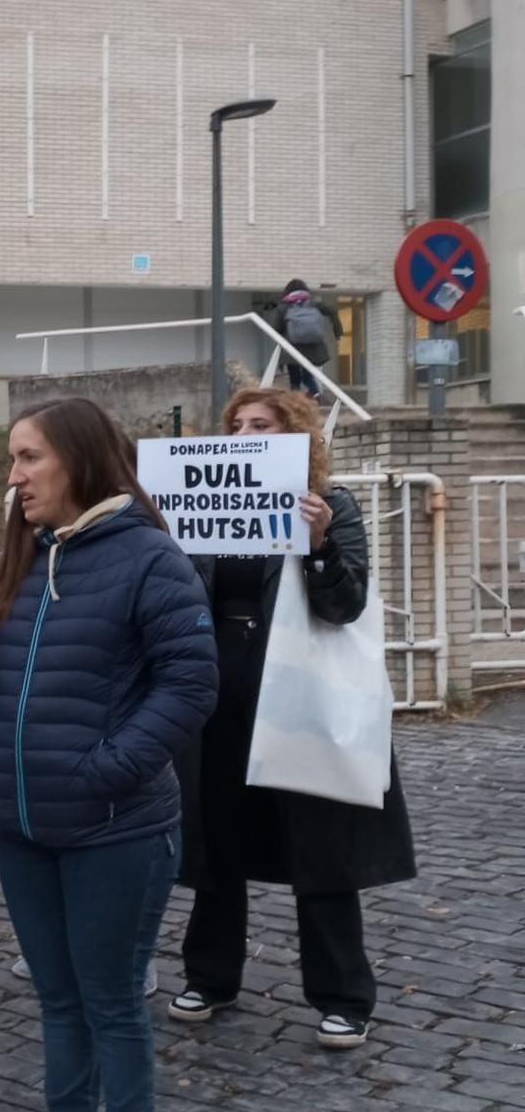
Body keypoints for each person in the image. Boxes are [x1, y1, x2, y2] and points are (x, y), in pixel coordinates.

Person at [0, 398, 216, 1112]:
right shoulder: (18, 560)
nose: (15, 476)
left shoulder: (150, 558)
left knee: (112, 1002)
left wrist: (108, 768)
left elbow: (190, 683)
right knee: (59, 999)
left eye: (29, 457)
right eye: (13, 459)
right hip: (24, 828)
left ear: (80, 459)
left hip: (117, 831)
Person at [171, 388, 415, 1051]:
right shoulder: (210, 504)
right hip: (220, 690)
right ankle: (210, 977)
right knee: (217, 833)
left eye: (262, 425)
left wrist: (317, 545)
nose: (245, 434)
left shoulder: (332, 506)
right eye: (237, 425)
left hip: (298, 695)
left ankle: (343, 997)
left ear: (297, 438)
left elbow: (346, 603)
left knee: (319, 839)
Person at [273, 280, 340, 397]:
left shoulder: (284, 307)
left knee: (294, 379)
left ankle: (296, 398)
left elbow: (277, 328)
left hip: (292, 348)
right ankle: (315, 393)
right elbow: (332, 311)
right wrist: (337, 330)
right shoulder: (314, 304)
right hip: (312, 349)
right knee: (307, 375)